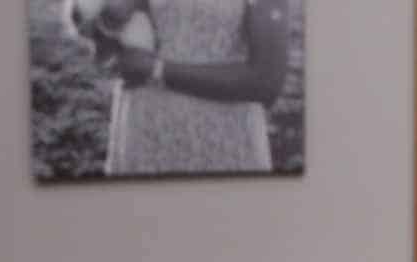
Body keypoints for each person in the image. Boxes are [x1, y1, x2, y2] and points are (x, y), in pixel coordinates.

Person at [79, 0, 291, 179]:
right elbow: (104, 45)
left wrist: (158, 69)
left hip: (224, 137)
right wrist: (106, 20)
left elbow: (267, 81)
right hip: (144, 130)